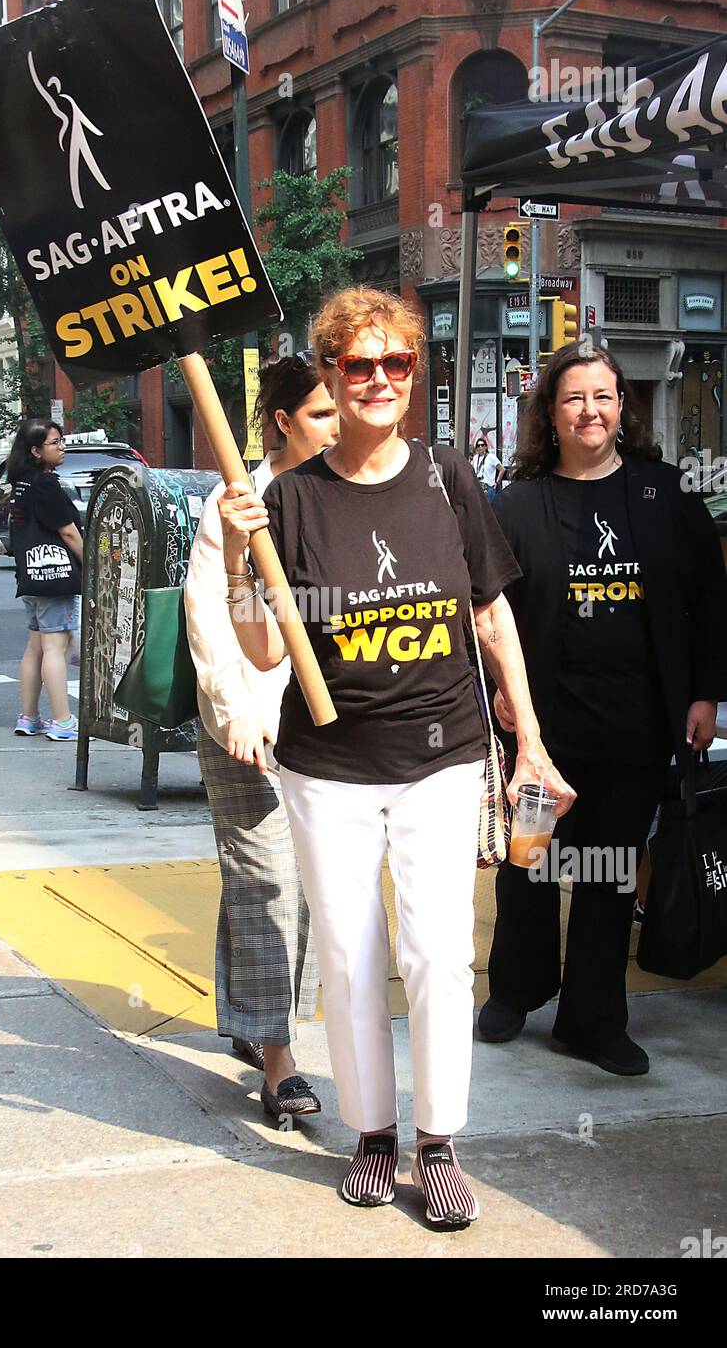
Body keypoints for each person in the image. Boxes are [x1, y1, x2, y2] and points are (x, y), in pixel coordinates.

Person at [217, 288, 574, 1228]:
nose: (378, 381)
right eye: (358, 365)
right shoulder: (289, 499)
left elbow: (491, 615)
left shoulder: (447, 477)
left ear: (415, 374)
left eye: (397, 364)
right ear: (330, 375)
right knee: (346, 952)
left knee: (438, 955)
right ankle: (372, 1134)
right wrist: (231, 551)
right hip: (325, 767)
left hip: (444, 756)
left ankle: (438, 1141)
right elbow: (262, 651)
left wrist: (528, 737)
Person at [480, 340, 727, 1076]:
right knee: (527, 862)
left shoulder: (666, 493)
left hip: (635, 722)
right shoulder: (517, 503)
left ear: (622, 409)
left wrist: (704, 692)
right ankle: (515, 993)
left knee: (610, 872)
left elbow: (708, 599)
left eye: (602, 397)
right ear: (550, 415)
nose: (589, 410)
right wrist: (501, 685)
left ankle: (591, 1019)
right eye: (573, 399)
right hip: (541, 730)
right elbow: (492, 608)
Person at [184, 356, 338, 1119]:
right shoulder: (238, 501)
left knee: (279, 881)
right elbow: (209, 613)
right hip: (249, 723)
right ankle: (277, 1056)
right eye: (320, 413)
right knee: (269, 881)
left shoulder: (341, 495)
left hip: (326, 730)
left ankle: (251, 1023)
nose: (338, 425)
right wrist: (234, 707)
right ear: (282, 421)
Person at [7, 419, 83, 742]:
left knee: (35, 646)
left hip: (30, 575)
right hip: (54, 575)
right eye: (54, 443)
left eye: (62, 440)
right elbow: (68, 530)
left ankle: (29, 716)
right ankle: (62, 720)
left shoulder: (20, 481)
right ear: (36, 450)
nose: (62, 446)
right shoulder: (44, 483)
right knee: (57, 646)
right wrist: (90, 563)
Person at [471, 436, 504, 501]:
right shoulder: (475, 458)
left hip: (488, 486)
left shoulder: (491, 457)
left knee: (489, 507)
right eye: (478, 445)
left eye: (482, 445)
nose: (480, 447)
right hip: (478, 485)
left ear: (485, 447)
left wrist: (497, 482)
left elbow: (502, 469)